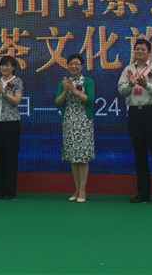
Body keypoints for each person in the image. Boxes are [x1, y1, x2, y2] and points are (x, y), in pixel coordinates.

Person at [117, 39, 152, 205]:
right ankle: (143, 193)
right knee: (139, 154)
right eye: (137, 48)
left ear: (149, 52)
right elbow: (122, 90)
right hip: (134, 113)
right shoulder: (128, 70)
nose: (139, 51)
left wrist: (146, 85)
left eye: (143, 49)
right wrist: (130, 84)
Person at [55, 53, 95, 203]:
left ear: (82, 66)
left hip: (84, 122)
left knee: (83, 158)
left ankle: (83, 190)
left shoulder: (88, 81)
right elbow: (58, 103)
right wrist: (66, 90)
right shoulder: (64, 82)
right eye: (71, 63)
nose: (74, 66)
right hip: (69, 123)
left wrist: (75, 91)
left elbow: (90, 100)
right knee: (73, 157)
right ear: (67, 66)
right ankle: (77, 189)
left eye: (77, 63)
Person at [0, 56, 24, 200]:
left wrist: (4, 92)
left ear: (13, 67)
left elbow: (17, 101)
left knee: (10, 157)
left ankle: (10, 191)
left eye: (7, 65)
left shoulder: (17, 81)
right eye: (2, 65)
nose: (4, 68)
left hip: (11, 122)